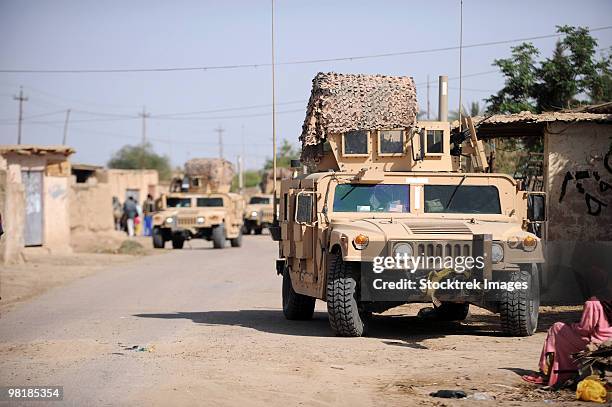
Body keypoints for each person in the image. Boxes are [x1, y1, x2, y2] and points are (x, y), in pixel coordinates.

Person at [523, 257, 612, 387]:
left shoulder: (592, 302)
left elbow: (584, 329)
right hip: (609, 340)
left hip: (597, 342)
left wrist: (572, 325)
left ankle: (551, 372)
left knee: (556, 329)